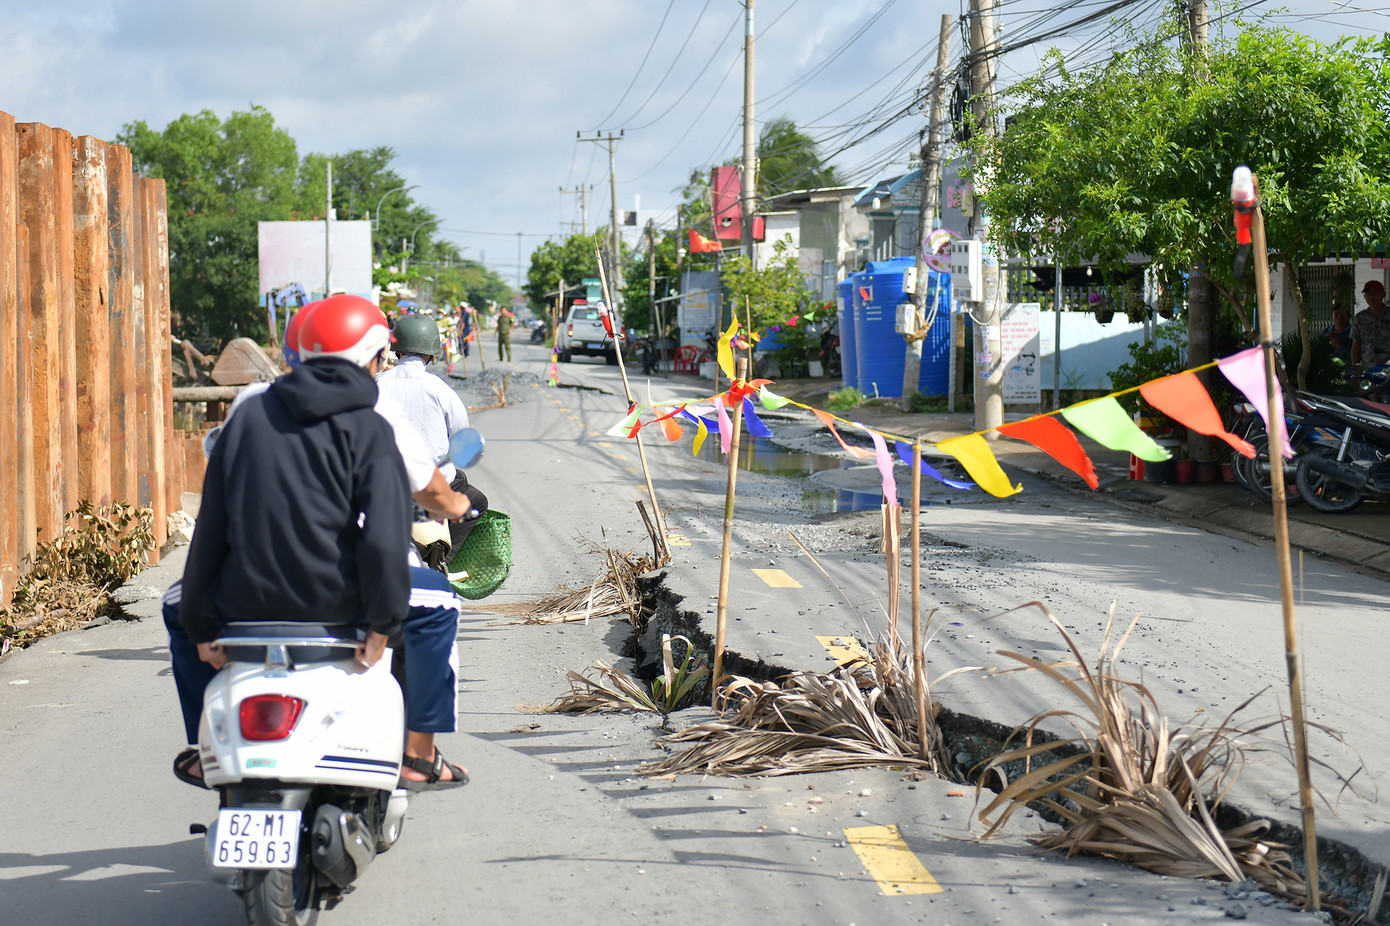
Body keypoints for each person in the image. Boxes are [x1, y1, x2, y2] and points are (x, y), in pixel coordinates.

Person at [169, 295, 468, 792]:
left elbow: (211, 526)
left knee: (173, 602)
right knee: (439, 603)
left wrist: (200, 622)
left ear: (292, 354)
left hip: (240, 599)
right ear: (373, 356)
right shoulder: (376, 418)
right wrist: (383, 621)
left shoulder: (247, 409)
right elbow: (383, 536)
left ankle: (205, 746)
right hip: (340, 602)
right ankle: (419, 754)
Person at [378, 313, 488, 562]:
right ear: (431, 352)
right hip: (430, 484)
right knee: (477, 502)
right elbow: (464, 438)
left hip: (380, 483)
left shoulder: (377, 384)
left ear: (397, 350)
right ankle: (443, 562)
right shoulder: (441, 390)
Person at [1351, 280, 1390, 380]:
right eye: (1368, 293)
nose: (1372, 296)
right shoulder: (1359, 318)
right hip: (1367, 370)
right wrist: (1355, 371)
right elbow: (1356, 346)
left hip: (1388, 370)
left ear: (1383, 295)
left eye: (1375, 293)